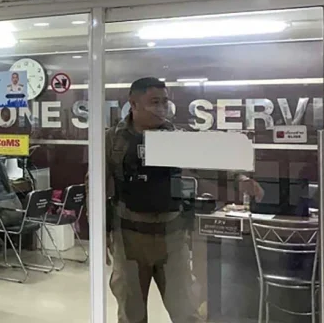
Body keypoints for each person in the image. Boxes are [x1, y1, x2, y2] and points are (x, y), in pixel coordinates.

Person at [106, 77, 263, 323]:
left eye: (165, 102)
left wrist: (238, 178)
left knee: (186, 311)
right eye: (154, 102)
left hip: (172, 236)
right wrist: (101, 229)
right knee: (131, 313)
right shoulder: (113, 139)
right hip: (128, 239)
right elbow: (95, 183)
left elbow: (206, 163)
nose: (161, 108)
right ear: (133, 104)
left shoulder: (174, 136)